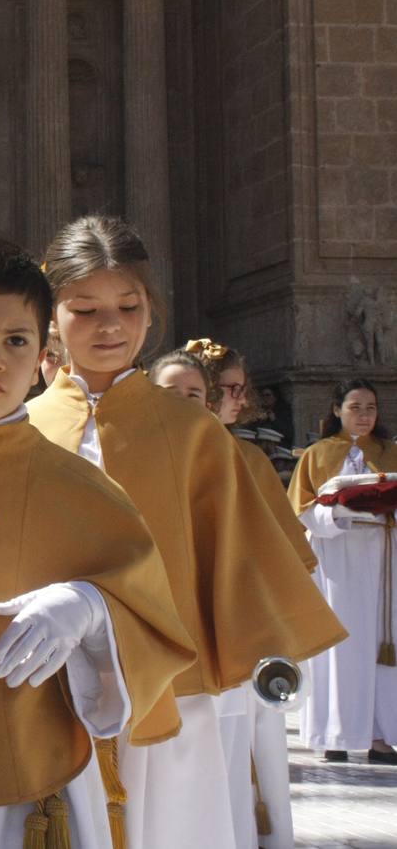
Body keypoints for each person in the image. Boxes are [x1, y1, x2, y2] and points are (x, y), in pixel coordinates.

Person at [27, 216, 347, 849]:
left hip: (173, 683)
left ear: (153, 311)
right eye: (84, 309)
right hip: (47, 684)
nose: (110, 325)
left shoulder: (192, 431)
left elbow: (233, 556)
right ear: (50, 318)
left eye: (128, 305)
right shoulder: (21, 427)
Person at [0, 237, 194, 849]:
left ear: (43, 349)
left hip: (40, 767)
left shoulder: (80, 485)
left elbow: (152, 614)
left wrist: (87, 607)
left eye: (16, 341)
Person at [178, 339, 318, 849]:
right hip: (185, 633)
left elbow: (289, 552)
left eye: (242, 390)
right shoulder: (159, 456)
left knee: (248, 748)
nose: (239, 401)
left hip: (246, 628)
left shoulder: (251, 459)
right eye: (228, 389)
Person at [288, 379, 397, 766]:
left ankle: (378, 736)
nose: (364, 415)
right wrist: (338, 512)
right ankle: (333, 733)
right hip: (336, 555)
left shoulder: (389, 452)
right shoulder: (317, 455)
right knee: (340, 644)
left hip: (383, 554)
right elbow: (299, 510)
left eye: (370, 407)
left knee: (379, 644)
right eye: (355, 407)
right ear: (336, 410)